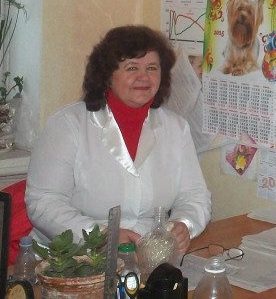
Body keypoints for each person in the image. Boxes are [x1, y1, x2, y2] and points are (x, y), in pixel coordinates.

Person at [26, 25, 211, 254]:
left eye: (152, 68)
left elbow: (194, 196)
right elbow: (43, 202)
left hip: (147, 256)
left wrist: (185, 224)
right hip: (74, 259)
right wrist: (102, 236)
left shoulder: (176, 128)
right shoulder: (68, 125)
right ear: (107, 75)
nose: (144, 77)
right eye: (132, 67)